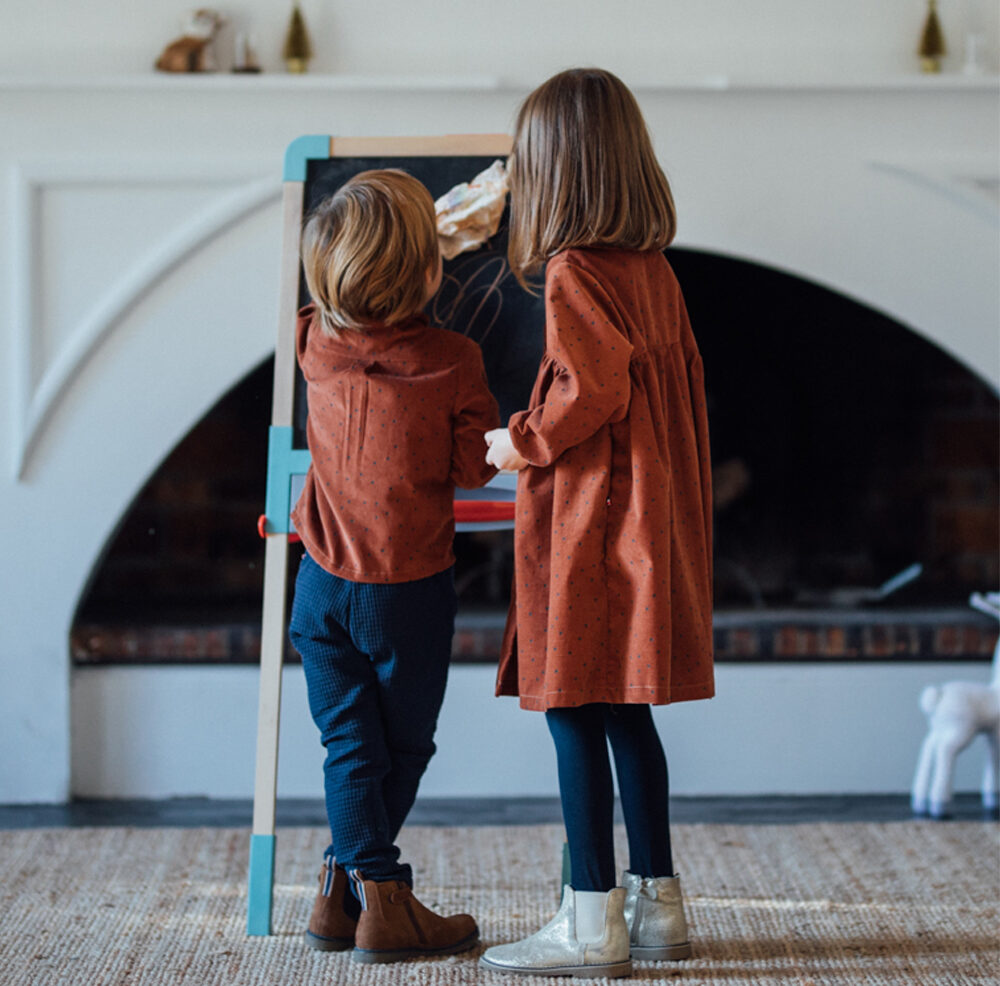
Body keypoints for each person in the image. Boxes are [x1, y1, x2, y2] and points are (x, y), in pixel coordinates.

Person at [480, 68, 715, 979]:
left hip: (593, 528)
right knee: (625, 714)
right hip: (643, 526)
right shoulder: (652, 270)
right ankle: (659, 905)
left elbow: (593, 391)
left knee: (570, 708)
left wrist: (519, 442)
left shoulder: (575, 271)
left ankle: (590, 921)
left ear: (553, 172)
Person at [288, 169, 499, 964]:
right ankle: (380, 897)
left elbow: (349, 286)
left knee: (348, 746)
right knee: (401, 750)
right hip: (403, 594)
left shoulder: (311, 338)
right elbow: (475, 468)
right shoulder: (454, 358)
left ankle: (339, 901)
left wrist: (404, 254)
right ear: (428, 271)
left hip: (318, 587)